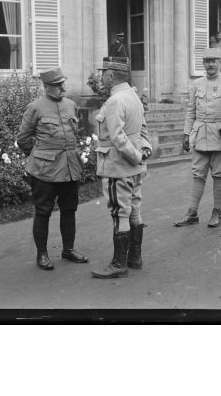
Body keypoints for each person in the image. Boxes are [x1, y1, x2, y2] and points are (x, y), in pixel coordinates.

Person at [17, 67, 90, 270]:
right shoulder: (35, 107)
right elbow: (23, 139)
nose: (62, 88)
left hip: (69, 168)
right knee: (43, 212)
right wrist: (39, 155)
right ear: (47, 87)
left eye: (62, 83)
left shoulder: (71, 105)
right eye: (58, 85)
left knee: (69, 210)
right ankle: (42, 254)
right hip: (44, 171)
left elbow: (75, 132)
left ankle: (68, 250)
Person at [91, 59, 152, 279]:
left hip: (118, 165)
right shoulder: (133, 96)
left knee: (120, 213)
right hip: (134, 166)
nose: (101, 77)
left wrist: (136, 156)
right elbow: (143, 129)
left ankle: (119, 264)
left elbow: (117, 137)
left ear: (110, 75)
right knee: (134, 210)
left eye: (103, 73)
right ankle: (135, 258)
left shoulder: (115, 100)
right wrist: (145, 150)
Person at [174, 48, 221, 229]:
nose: (210, 64)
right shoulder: (197, 84)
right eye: (207, 61)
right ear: (203, 63)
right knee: (198, 174)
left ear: (220, 62)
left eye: (214, 61)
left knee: (218, 175)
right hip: (200, 135)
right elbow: (191, 110)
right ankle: (192, 213)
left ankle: (216, 212)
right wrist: (186, 133)